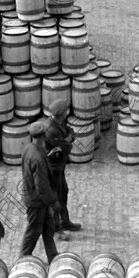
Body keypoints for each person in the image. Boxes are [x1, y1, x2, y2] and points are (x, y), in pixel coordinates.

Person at [19, 121, 59, 264]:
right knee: (33, 232)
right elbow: (41, 187)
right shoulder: (38, 158)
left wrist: (48, 155)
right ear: (44, 135)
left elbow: (34, 164)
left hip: (34, 197)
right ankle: (22, 260)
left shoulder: (28, 148)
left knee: (48, 229)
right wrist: (53, 202)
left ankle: (53, 257)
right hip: (37, 201)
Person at [44, 100, 82, 235]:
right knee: (55, 197)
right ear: (61, 113)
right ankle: (56, 227)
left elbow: (71, 131)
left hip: (59, 166)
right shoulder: (51, 130)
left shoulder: (59, 123)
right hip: (53, 168)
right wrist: (69, 139)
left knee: (63, 192)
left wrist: (68, 137)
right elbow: (67, 147)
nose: (67, 112)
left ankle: (65, 221)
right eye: (66, 110)